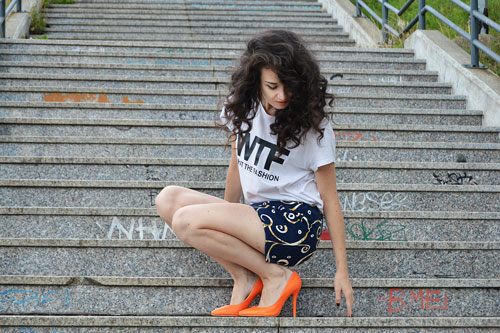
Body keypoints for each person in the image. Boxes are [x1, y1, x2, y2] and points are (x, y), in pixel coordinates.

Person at [155, 30, 354, 318]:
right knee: (168, 200)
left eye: (288, 86)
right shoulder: (242, 106)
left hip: (296, 224)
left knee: (186, 220)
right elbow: (238, 166)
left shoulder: (314, 128)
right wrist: (223, 216)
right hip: (258, 216)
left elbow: (331, 199)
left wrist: (342, 271)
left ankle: (276, 276)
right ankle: (245, 277)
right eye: (272, 86)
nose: (282, 95)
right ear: (256, 80)